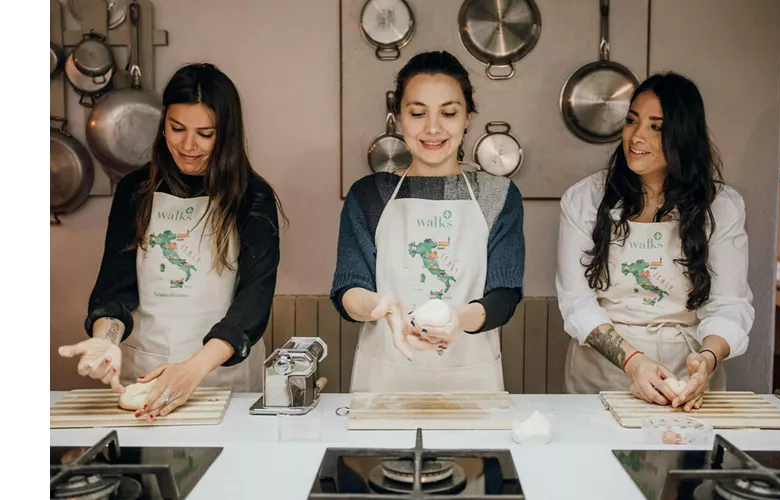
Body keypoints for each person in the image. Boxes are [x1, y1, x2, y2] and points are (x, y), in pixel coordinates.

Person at [58, 63, 284, 420]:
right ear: (164, 123)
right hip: (145, 373)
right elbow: (116, 288)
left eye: (205, 134)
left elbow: (252, 303)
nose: (188, 145)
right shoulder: (136, 191)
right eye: (177, 128)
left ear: (226, 134)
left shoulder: (252, 197)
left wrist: (192, 370)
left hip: (221, 377)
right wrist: (106, 340)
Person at [555, 72, 754, 412]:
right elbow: (577, 303)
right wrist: (633, 362)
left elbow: (729, 305)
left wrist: (706, 360)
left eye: (656, 127)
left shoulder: (721, 206)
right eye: (632, 121)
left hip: (686, 378)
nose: (636, 136)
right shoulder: (584, 200)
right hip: (604, 374)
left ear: (684, 136)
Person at [331, 51, 525, 392]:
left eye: (448, 113)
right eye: (418, 113)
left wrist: (457, 319)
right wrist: (379, 307)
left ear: (468, 119)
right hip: (385, 380)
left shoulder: (498, 196)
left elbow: (504, 294)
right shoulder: (369, 195)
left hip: (471, 382)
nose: (433, 128)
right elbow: (348, 288)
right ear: (399, 119)